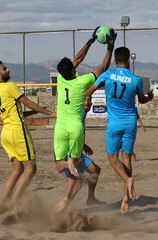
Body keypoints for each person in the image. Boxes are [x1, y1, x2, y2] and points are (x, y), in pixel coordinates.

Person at [85, 47, 154, 213]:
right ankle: (125, 199)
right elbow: (142, 100)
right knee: (127, 159)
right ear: (129, 60)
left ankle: (128, 180)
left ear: (115, 61)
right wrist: (149, 97)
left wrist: (88, 100)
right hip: (130, 122)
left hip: (114, 123)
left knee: (112, 158)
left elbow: (89, 91)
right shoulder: (136, 79)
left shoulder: (107, 75)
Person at [0, 61, 56, 207]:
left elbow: (16, 111)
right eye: (4, 68)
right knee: (31, 169)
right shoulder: (10, 86)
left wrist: (36, 111)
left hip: (6, 132)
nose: (8, 69)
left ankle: (2, 201)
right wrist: (50, 113)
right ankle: (13, 204)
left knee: (17, 169)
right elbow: (28, 102)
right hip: (18, 131)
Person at [53, 26, 116, 179]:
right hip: (76, 127)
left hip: (60, 127)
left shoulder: (60, 79)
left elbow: (78, 59)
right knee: (75, 160)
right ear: (73, 71)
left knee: (58, 166)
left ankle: (68, 164)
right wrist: (110, 45)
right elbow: (103, 68)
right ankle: (71, 163)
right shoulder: (81, 82)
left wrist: (90, 40)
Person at [53, 105, 105, 214]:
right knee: (77, 183)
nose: (89, 103)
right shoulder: (78, 112)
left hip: (75, 149)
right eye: (87, 100)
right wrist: (76, 155)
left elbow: (75, 134)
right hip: (69, 152)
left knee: (95, 170)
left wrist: (83, 145)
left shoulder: (82, 113)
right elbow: (70, 134)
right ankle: (61, 207)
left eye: (90, 100)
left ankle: (90, 198)